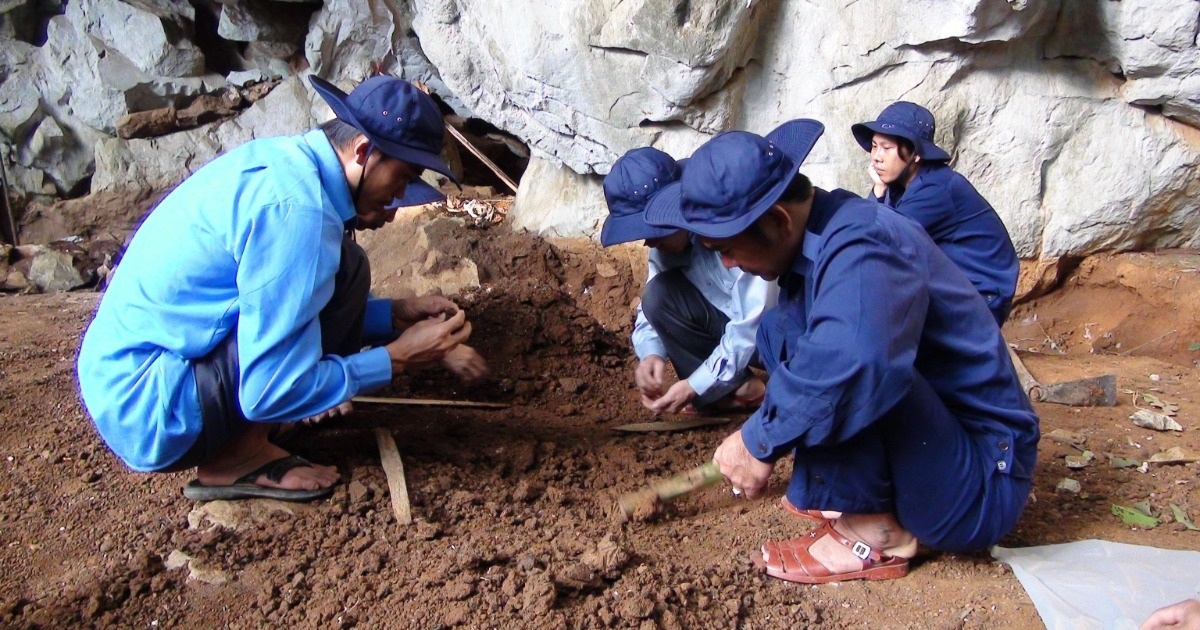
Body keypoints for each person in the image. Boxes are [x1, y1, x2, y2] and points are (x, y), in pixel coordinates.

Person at [644, 120, 1039, 584]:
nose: (727, 263)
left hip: (980, 484)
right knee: (778, 331)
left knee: (853, 362)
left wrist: (758, 442)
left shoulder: (864, 244)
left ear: (777, 221)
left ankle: (878, 534)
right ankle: (861, 494)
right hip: (942, 444)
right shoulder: (823, 236)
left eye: (727, 249)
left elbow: (854, 359)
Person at [76, 75, 490, 502]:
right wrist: (397, 357)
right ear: (363, 152)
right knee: (299, 340)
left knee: (346, 269)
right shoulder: (298, 213)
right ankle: (235, 459)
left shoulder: (289, 165)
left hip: (139, 379)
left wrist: (391, 316)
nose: (401, 193)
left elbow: (292, 300)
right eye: (403, 176)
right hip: (150, 406)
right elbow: (267, 391)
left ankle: (253, 435)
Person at [600, 147, 777, 414]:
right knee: (657, 295)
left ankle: (776, 386)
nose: (649, 240)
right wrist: (651, 353)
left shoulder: (734, 229)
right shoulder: (664, 248)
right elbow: (652, 311)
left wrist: (696, 385)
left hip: (780, 333)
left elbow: (752, 322)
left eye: (654, 229)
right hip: (735, 330)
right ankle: (737, 389)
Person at [851, 101, 1019, 326]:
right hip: (956, 291)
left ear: (916, 154)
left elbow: (878, 242)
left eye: (887, 148)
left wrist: (879, 195)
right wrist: (878, 191)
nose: (876, 157)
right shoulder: (901, 186)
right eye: (874, 146)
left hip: (982, 299)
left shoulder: (934, 189)